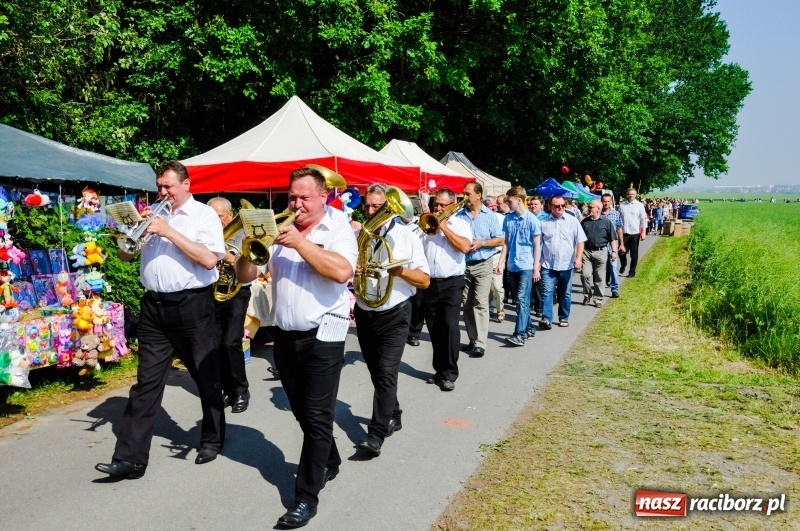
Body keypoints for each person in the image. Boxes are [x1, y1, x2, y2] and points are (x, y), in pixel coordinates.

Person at [95, 160, 226, 479]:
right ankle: (130, 458)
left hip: (193, 305)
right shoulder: (151, 213)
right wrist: (132, 231)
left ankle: (212, 438)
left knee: (205, 376)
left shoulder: (203, 215)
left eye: (168, 186)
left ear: (186, 185)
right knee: (146, 383)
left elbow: (209, 259)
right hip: (154, 307)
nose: (163, 192)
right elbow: (126, 255)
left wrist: (168, 231)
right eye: (159, 186)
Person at [266, 167, 357, 528]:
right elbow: (246, 275)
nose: (297, 203)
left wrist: (300, 243)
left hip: (326, 330)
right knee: (302, 410)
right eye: (292, 196)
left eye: (304, 197)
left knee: (318, 413)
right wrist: (246, 250)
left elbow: (341, 272)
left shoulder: (337, 227)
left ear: (323, 196)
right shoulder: (280, 227)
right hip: (285, 333)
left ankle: (305, 497)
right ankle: (330, 458)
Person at [353, 184, 430, 457]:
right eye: (368, 207)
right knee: (377, 373)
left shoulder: (407, 236)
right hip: (365, 311)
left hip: (395, 313)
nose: (372, 212)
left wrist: (400, 270)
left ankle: (375, 435)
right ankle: (394, 412)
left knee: (386, 372)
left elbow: (424, 280)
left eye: (378, 207)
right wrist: (354, 269)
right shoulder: (358, 236)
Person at [422, 189, 472, 391]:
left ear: (453, 205)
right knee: (434, 328)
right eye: (437, 205)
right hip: (430, 283)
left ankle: (450, 373)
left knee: (450, 326)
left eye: (443, 205)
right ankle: (439, 370)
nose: (439, 208)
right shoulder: (426, 224)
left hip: (452, 282)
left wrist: (443, 227)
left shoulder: (462, 225)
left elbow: (465, 247)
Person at [207, 197, 252, 413]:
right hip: (212, 293)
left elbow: (249, 267)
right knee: (215, 344)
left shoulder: (243, 235)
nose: (215, 222)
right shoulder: (205, 235)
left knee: (230, 342)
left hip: (236, 292)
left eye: (219, 217)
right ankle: (227, 389)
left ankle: (241, 390)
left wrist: (228, 258)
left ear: (230, 216)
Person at [456, 183, 504, 357]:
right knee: (467, 304)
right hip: (464, 265)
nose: (464, 196)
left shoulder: (490, 216)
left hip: (483, 264)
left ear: (478, 195)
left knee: (480, 302)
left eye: (467, 193)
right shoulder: (459, 215)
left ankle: (481, 343)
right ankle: (472, 339)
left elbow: (499, 240)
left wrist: (481, 243)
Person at [500, 186, 541, 346]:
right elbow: (506, 242)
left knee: (522, 300)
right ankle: (530, 327)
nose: (507, 204)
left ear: (518, 200)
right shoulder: (508, 219)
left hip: (526, 265)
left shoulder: (532, 220)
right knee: (518, 300)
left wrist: (536, 266)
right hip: (512, 265)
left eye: (509, 201)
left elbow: (537, 245)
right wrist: (501, 261)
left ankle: (520, 334)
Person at [538, 195, 586, 329]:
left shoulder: (572, 221)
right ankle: (546, 318)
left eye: (562, 206)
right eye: (557, 206)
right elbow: (538, 243)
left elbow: (580, 241)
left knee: (565, 292)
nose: (560, 208)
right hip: (548, 264)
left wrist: (578, 258)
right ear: (550, 207)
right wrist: (537, 262)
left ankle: (563, 317)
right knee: (547, 291)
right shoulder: (544, 222)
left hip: (567, 264)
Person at [580, 200, 618, 308]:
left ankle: (598, 299)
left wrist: (614, 252)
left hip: (601, 251)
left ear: (598, 209)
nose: (588, 209)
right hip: (586, 251)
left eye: (591, 207)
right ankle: (587, 295)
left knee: (600, 277)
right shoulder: (584, 222)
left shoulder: (606, 222)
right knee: (585, 275)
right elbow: (579, 239)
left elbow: (612, 239)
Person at [484, 196, 506, 322]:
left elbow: (504, 241)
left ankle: (500, 309)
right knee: (486, 287)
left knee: (497, 286)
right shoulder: (480, 218)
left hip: (498, 255)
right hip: (484, 256)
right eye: (491, 206)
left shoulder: (501, 218)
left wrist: (503, 260)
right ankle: (488, 309)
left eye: (495, 206)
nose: (494, 208)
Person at [618, 188, 648, 277]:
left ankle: (632, 272)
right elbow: (618, 218)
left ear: (636, 195)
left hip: (635, 232)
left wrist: (643, 232)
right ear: (627, 194)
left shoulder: (639, 205)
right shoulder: (622, 205)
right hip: (624, 232)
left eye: (633, 194)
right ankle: (623, 264)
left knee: (634, 255)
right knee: (621, 252)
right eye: (630, 194)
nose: (631, 196)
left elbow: (643, 219)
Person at [600, 193, 624, 298]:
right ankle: (599, 289)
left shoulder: (616, 214)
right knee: (600, 269)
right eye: (604, 201)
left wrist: (622, 244)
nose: (606, 203)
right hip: (600, 245)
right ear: (601, 201)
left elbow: (619, 229)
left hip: (612, 245)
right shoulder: (598, 214)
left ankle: (614, 289)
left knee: (613, 267)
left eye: (608, 201)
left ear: (611, 202)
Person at [527, 195, 547, 318]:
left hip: (542, 253)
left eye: (535, 204)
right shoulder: (527, 217)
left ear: (541, 205)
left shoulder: (546, 218)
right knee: (529, 280)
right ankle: (530, 303)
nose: (533, 206)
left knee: (539, 282)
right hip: (529, 253)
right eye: (531, 204)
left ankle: (539, 307)